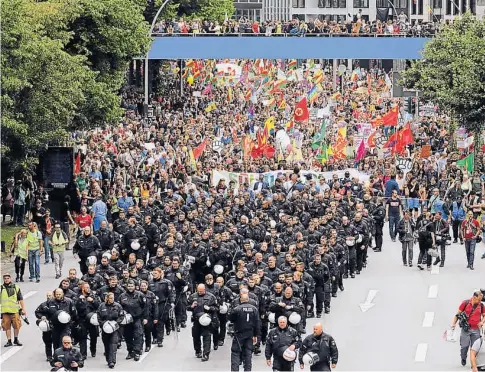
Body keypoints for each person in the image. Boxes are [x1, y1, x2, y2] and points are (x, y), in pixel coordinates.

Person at [451, 291, 485, 366]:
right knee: (464, 346)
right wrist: (453, 324)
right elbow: (458, 314)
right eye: (479, 299)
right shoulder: (465, 303)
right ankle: (463, 357)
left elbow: (484, 315)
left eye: (481, 300)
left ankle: (474, 364)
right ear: (474, 297)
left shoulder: (481, 306)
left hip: (476, 330)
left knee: (475, 348)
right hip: (466, 329)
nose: (480, 301)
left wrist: (482, 322)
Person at [228, 292, 260, 371]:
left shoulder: (237, 309)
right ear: (248, 299)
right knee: (248, 353)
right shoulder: (254, 309)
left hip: (239, 334)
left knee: (235, 352)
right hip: (250, 333)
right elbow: (257, 323)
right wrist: (256, 335)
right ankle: (247, 370)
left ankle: (235, 370)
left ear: (240, 300)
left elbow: (230, 319)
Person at [188, 283, 219, 362]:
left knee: (206, 336)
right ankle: (198, 351)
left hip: (206, 320)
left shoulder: (211, 297)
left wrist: (209, 308)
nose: (200, 292)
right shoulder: (193, 296)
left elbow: (216, 308)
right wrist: (191, 306)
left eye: (201, 291)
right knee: (196, 336)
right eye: (198, 291)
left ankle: (206, 354)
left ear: (204, 289)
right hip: (196, 319)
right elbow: (187, 307)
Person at [119, 279, 148, 361]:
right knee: (128, 336)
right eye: (129, 286)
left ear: (135, 286)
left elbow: (145, 307)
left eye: (132, 286)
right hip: (126, 320)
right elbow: (119, 307)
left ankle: (137, 352)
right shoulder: (122, 296)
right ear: (126, 287)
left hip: (137, 318)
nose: (130, 287)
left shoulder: (140, 295)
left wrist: (145, 318)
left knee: (138, 335)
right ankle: (130, 351)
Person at [97, 292, 124, 369]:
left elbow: (121, 316)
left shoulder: (118, 306)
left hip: (114, 329)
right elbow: (98, 316)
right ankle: (108, 359)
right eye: (110, 298)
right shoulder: (101, 306)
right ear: (107, 298)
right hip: (105, 328)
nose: (112, 299)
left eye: (113, 298)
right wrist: (103, 323)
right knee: (106, 344)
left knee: (113, 344)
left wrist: (116, 323)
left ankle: (112, 361)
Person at [1, 273, 26, 347]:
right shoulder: (1, 288)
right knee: (6, 327)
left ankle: (16, 339)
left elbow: (21, 299)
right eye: (5, 278)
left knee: (16, 326)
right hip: (5, 311)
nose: (6, 280)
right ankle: (9, 341)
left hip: (15, 311)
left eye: (7, 278)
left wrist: (23, 309)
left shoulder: (16, 287)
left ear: (10, 279)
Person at [35, 291, 55, 361]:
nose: (49, 297)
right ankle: (49, 356)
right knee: (47, 341)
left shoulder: (57, 303)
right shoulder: (43, 305)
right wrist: (41, 316)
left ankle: (56, 355)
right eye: (47, 295)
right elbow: (37, 312)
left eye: (50, 295)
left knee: (56, 341)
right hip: (47, 326)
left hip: (56, 325)